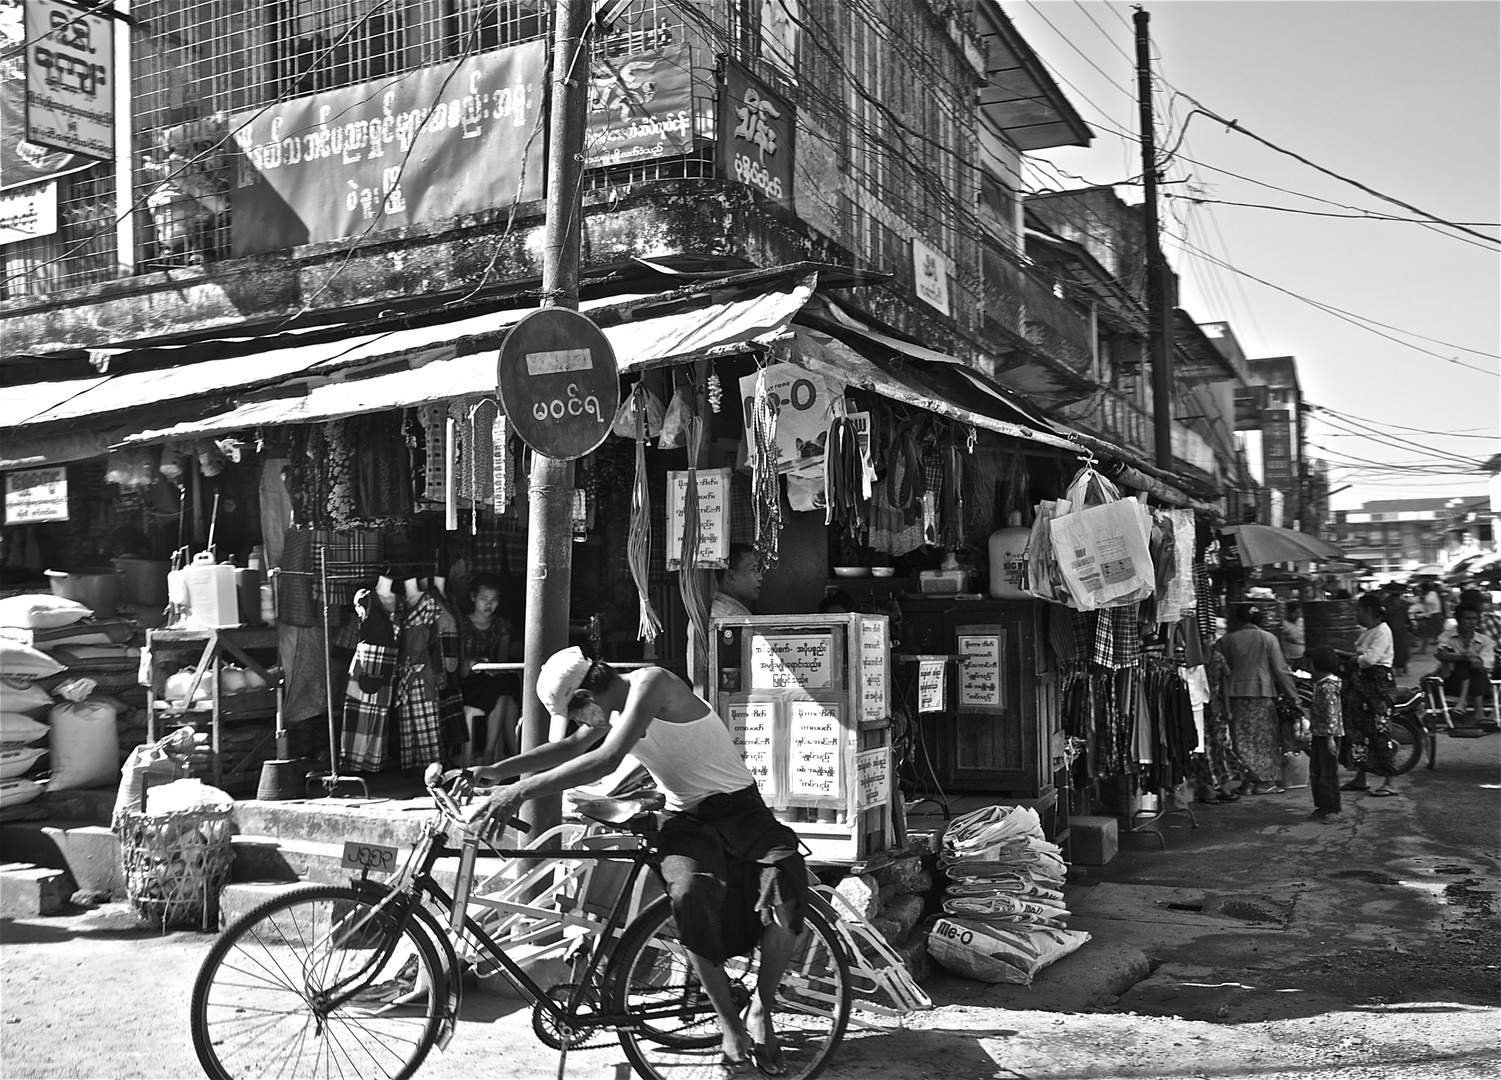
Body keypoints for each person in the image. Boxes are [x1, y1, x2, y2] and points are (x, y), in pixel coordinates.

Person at [469, 647, 805, 1074]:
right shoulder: (610, 711)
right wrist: (495, 773)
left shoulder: (652, 684)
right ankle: (728, 1024)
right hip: (688, 819)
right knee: (689, 896)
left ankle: (761, 1008)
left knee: (787, 887)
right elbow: (571, 748)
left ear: (589, 694)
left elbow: (604, 760)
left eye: (578, 713)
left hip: (741, 809)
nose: (580, 723)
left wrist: (517, 792)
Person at [1215, 604, 1304, 795]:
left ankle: (1247, 783)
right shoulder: (1268, 638)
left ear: (1238, 620)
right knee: (1264, 739)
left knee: (1241, 739)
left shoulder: (1225, 641)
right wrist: (1294, 697)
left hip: (1234, 696)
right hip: (1262, 694)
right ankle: (1265, 782)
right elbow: (1281, 671)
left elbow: (1217, 669)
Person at [1340, 591, 1399, 797]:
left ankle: (1390, 782)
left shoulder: (1382, 631)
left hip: (1377, 688)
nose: (1356, 614)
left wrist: (1352, 660)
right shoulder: (1369, 631)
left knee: (1380, 732)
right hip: (1362, 689)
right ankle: (1360, 777)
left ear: (1367, 610)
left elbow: (1369, 660)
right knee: (1358, 732)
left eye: (1358, 610)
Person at [458, 573, 520, 764]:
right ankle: (495, 754)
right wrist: (472, 663)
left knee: (506, 690)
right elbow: (461, 669)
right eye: (483, 599)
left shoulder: (501, 625)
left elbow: (501, 661)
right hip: (469, 683)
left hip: (493, 678)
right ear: (473, 598)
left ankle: (513, 754)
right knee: (501, 691)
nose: (488, 605)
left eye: (493, 600)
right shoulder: (462, 624)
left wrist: (492, 668)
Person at [688, 543, 766, 689]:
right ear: (730, 575)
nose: (760, 577)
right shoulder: (731, 617)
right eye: (753, 569)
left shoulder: (716, 609)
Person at [1433, 602, 1496, 722]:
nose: (1471, 622)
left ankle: (1462, 702)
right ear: (1458, 619)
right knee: (1464, 662)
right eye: (1467, 618)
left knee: (1475, 666)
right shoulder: (1446, 637)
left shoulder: (1485, 640)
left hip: (1481, 685)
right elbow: (1440, 654)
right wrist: (1464, 656)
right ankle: (1479, 712)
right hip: (1452, 683)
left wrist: (1472, 659)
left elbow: (1486, 664)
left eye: (1474, 619)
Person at [1304, 645, 1344, 820]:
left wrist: (1330, 738)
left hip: (1328, 736)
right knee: (1318, 771)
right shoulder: (1322, 685)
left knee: (1327, 772)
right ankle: (1323, 806)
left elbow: (1331, 713)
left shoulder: (1327, 688)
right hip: (1320, 733)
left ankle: (1332, 808)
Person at [1381, 583, 1412, 676]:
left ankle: (1396, 668)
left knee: (1393, 647)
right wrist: (1409, 625)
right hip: (1401, 627)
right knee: (1403, 646)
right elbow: (1406, 617)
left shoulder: (1385, 602)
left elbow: (1384, 616)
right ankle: (1403, 666)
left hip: (1390, 626)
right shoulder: (1403, 603)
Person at [1416, 582, 1444, 652]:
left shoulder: (1431, 595)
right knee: (1428, 633)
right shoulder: (1430, 594)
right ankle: (1423, 649)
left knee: (1432, 633)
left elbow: (1430, 606)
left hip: (1434, 615)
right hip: (1432, 615)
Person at [1281, 601, 1306, 669]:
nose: (1299, 615)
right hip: (1290, 657)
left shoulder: (1302, 621)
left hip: (1303, 655)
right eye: (1296, 613)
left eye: (1300, 613)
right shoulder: (1283, 624)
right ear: (1289, 613)